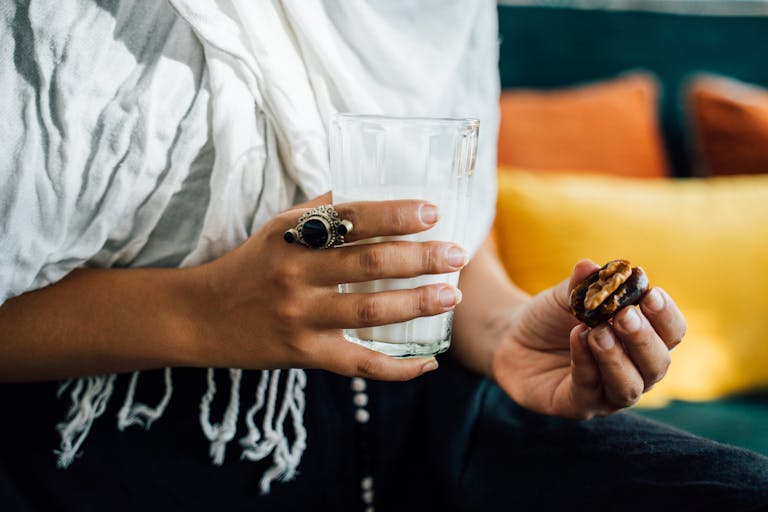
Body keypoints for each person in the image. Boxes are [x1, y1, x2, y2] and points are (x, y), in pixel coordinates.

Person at [1, 1, 766, 511]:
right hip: (110, 440)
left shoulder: (446, 13)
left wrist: (504, 333)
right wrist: (200, 310)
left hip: (420, 417)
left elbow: (461, 239)